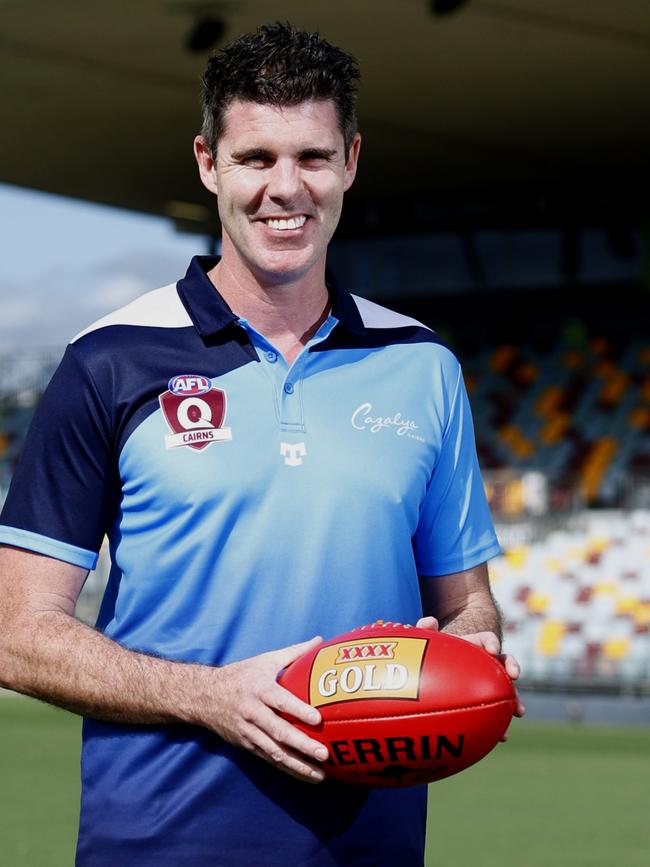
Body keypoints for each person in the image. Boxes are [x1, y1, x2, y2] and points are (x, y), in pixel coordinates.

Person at [0, 21, 521, 867]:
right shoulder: (108, 358)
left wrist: (476, 647)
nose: (287, 187)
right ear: (208, 163)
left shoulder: (422, 364)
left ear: (351, 160)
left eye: (313, 157)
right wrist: (213, 697)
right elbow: (16, 632)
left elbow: (467, 599)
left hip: (372, 846)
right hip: (158, 843)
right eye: (256, 159)